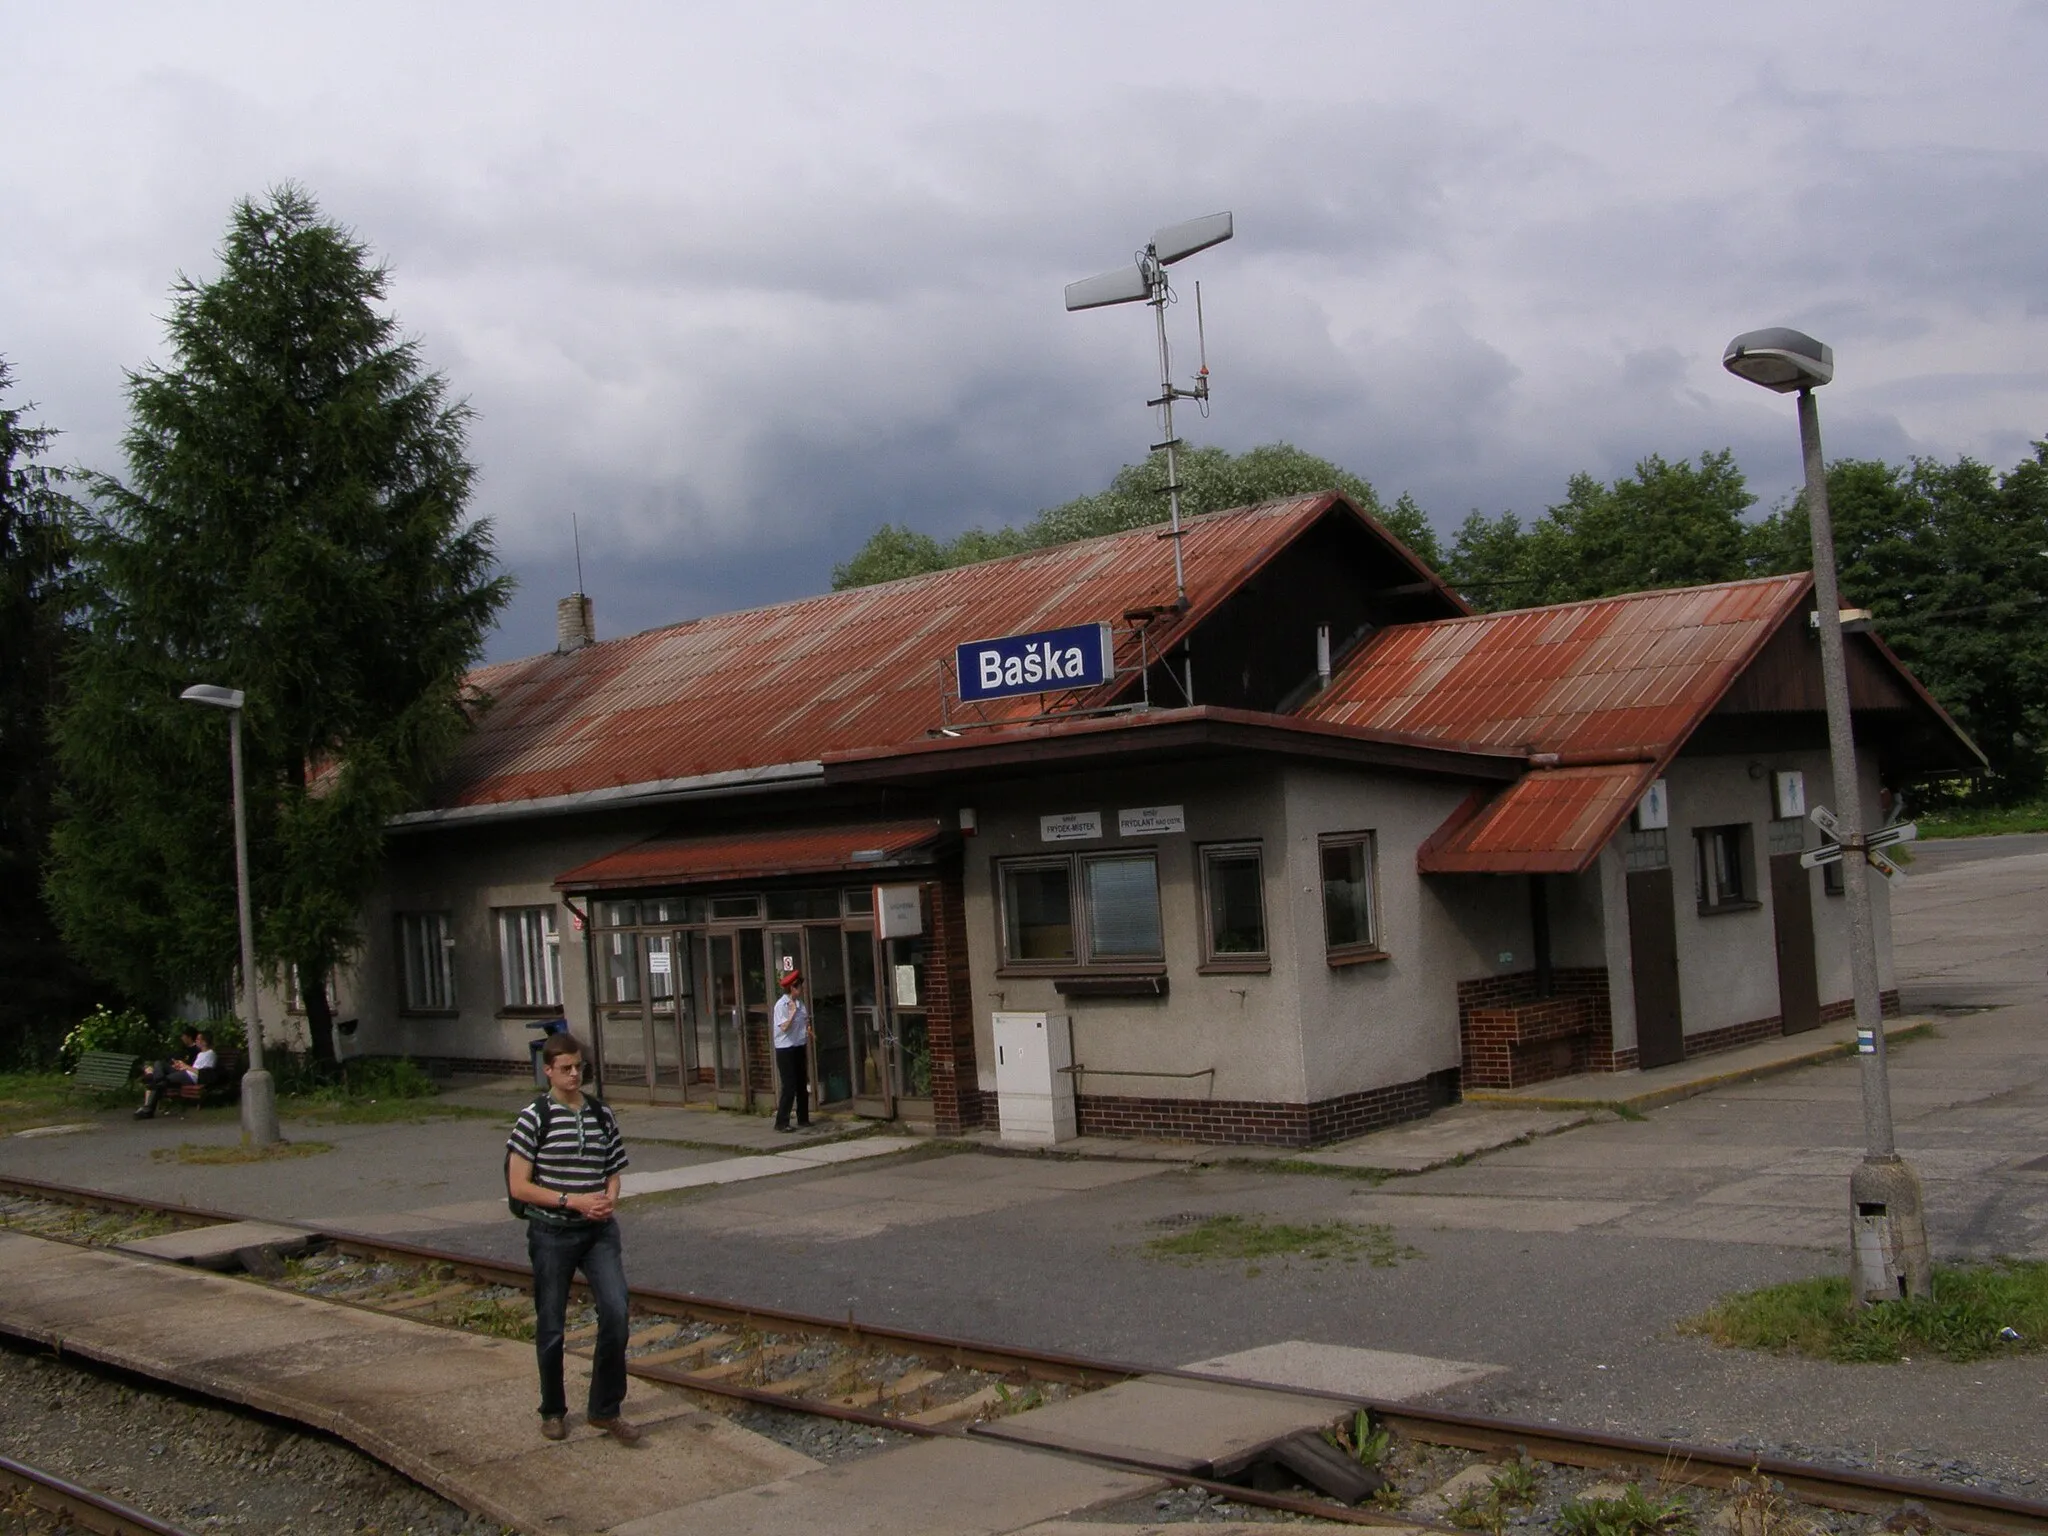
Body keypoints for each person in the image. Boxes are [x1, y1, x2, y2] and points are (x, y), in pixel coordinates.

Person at [504, 1033, 641, 1444]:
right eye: (565, 1068)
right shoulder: (534, 1117)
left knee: (616, 1311)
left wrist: (607, 1202)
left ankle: (604, 1409)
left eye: (578, 1067)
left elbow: (614, 1170)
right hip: (552, 1231)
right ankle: (552, 1409)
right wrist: (571, 1201)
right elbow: (519, 1186)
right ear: (548, 1070)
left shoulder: (601, 1114)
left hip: (598, 1231)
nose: (574, 1074)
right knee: (552, 1324)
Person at [135, 1029, 217, 1118]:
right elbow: (193, 1068)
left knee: (161, 1082)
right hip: (186, 1073)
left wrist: (185, 1066)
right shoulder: (201, 1054)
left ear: (204, 1042)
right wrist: (180, 1066)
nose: (196, 1041)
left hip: (191, 1077)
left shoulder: (210, 1054)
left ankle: (148, 1109)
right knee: (160, 1063)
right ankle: (155, 1079)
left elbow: (203, 1073)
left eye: (198, 1039)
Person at [772, 969, 811, 1133]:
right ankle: (781, 1121)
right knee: (789, 1085)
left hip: (798, 1045)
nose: (801, 989)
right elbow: (784, 1028)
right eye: (799, 986)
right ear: (792, 988)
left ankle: (803, 1118)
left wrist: (808, 1029)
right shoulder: (781, 1005)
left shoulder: (800, 1004)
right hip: (785, 1048)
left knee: (802, 1083)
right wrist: (793, 1013)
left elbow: (805, 1021)